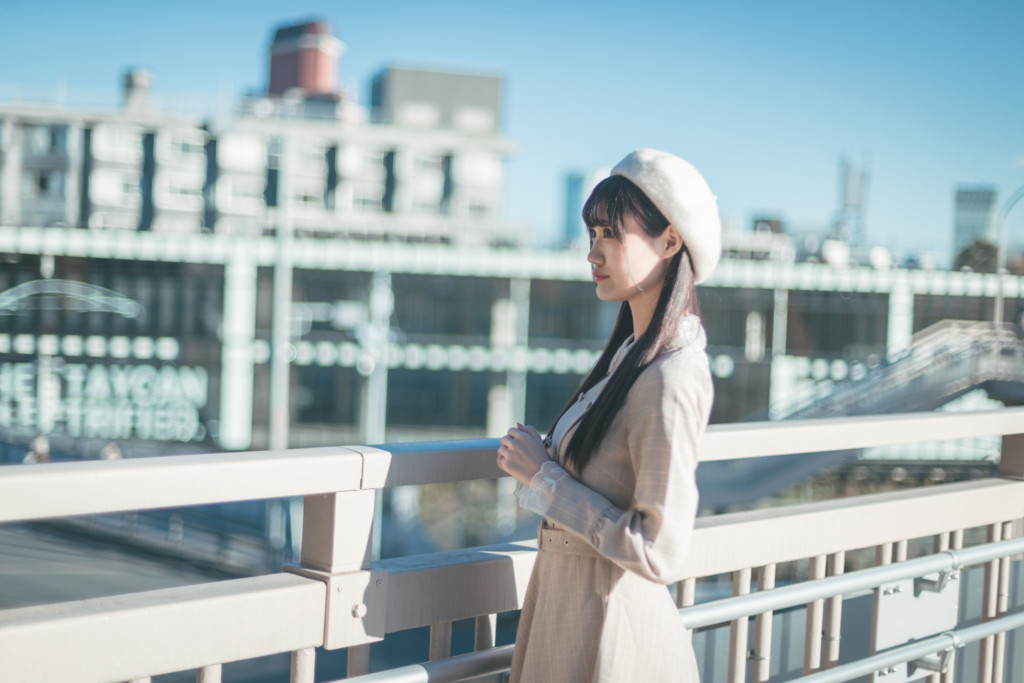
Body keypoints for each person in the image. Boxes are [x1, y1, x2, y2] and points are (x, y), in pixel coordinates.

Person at [496, 148, 720, 682]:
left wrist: (544, 476)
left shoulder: (670, 376)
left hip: (613, 638)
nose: (593, 253)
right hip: (575, 618)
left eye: (611, 235)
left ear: (670, 241)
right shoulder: (630, 361)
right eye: (592, 236)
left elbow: (658, 549)